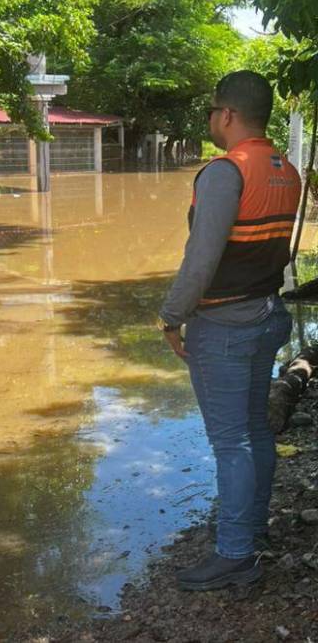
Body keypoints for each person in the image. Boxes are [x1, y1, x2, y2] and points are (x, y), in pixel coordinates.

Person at [159, 70, 301, 591]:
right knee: (254, 430)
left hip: (224, 324)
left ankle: (236, 553)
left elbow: (199, 263)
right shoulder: (286, 169)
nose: (211, 119)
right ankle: (250, 529)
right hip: (265, 314)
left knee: (231, 442)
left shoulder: (225, 172)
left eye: (212, 110)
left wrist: (171, 317)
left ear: (229, 115)